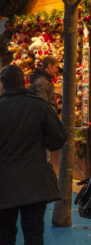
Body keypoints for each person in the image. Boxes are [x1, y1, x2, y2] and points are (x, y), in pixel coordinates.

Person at [0, 65, 66, 245]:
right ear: (24, 82)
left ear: (2, 85)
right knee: (34, 233)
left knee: (5, 234)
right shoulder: (39, 105)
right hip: (35, 181)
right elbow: (58, 138)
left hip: (4, 183)